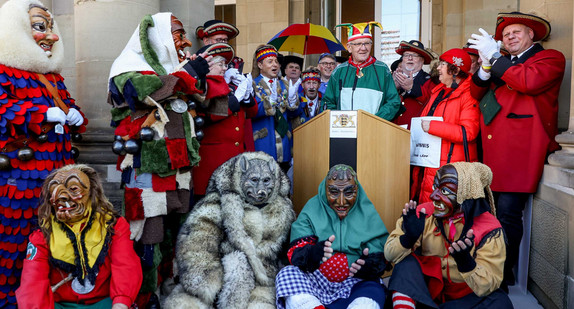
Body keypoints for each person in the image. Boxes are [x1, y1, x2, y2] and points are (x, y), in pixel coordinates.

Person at [107, 12, 210, 307]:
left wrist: (196, 74)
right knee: (146, 235)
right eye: (178, 35)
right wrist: (187, 73)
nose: (186, 41)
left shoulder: (174, 70)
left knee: (173, 234)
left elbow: (203, 100)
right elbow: (143, 92)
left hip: (178, 170)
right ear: (157, 38)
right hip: (147, 171)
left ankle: (167, 286)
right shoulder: (126, 68)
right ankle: (142, 294)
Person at [468, 11, 566, 289]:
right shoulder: (504, 62)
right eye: (505, 35)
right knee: (491, 211)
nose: (509, 37)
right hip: (494, 148)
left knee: (508, 212)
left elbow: (528, 82)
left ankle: (501, 275)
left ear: (531, 35)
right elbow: (477, 95)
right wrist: (486, 67)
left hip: (521, 149)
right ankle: (490, 267)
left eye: (516, 33)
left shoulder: (550, 57)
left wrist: (496, 59)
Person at [0, 1, 87, 306]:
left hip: (58, 180)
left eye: (51, 27)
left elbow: (67, 105)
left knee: (53, 243)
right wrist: (40, 113)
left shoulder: (53, 78)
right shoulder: (3, 72)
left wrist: (74, 113)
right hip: (18, 185)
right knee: (13, 246)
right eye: (40, 26)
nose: (51, 35)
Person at [163, 152, 295, 309]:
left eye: (266, 181)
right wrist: (211, 284)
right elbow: (196, 247)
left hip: (262, 282)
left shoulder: (282, 210)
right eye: (253, 180)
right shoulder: (216, 205)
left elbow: (286, 254)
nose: (260, 189)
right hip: (218, 278)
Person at [385, 162, 512, 308]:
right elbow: (389, 255)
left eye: (444, 191)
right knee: (405, 265)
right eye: (435, 188)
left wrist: (467, 263)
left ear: (466, 195)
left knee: (501, 303)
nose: (433, 196)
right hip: (424, 295)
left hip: (465, 300)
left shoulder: (489, 230)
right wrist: (407, 239)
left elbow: (487, 285)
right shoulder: (421, 214)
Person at [16, 164, 142, 309]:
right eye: (55, 190)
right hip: (60, 305)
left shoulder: (114, 226)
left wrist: (121, 303)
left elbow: (125, 265)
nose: (62, 196)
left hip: (104, 304)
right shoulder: (42, 235)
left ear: (91, 193)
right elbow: (32, 281)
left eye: (73, 189)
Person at [276, 164, 389, 309]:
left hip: (355, 284)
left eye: (349, 193)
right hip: (315, 280)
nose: (341, 202)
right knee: (286, 274)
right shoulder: (312, 208)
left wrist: (369, 266)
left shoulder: (367, 211)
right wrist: (312, 253)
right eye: (334, 192)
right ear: (325, 190)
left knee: (373, 290)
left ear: (357, 191)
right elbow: (296, 252)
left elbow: (380, 253)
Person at [410, 48, 480, 205]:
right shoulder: (439, 91)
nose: (438, 68)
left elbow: (468, 132)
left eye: (443, 64)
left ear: (455, 69)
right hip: (431, 162)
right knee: (427, 212)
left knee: (444, 216)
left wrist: (434, 127)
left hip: (451, 167)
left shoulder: (469, 94)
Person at [191, 43, 258, 198]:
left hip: (235, 158)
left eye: (225, 65)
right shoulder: (203, 87)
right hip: (212, 160)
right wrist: (236, 98)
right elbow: (213, 114)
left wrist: (247, 95)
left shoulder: (228, 86)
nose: (224, 69)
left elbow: (252, 112)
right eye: (220, 64)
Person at [324, 22, 400, 121]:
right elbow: (328, 102)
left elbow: (393, 102)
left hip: (374, 130)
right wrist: (338, 123)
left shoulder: (382, 69)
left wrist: (376, 120)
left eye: (367, 43)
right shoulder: (339, 71)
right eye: (358, 44)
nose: (363, 48)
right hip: (344, 130)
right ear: (349, 47)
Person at [251, 44, 299, 172]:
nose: (275, 65)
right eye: (270, 61)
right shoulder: (252, 84)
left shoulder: (283, 83)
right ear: (260, 65)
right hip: (264, 142)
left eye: (277, 62)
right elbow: (252, 112)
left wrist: (293, 101)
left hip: (283, 143)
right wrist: (268, 103)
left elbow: (292, 114)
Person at [392, 40, 436, 129]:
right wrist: (393, 88)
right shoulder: (391, 79)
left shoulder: (431, 81)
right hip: (392, 132)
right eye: (406, 55)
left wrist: (411, 87)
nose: (410, 58)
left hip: (416, 133)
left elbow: (433, 104)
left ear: (422, 60)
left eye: (415, 55)